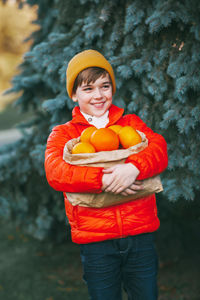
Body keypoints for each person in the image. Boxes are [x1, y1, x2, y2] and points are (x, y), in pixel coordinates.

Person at [44, 49, 168, 300]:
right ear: (73, 94)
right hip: (96, 242)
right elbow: (55, 171)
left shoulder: (130, 124)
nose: (99, 95)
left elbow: (159, 149)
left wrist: (133, 168)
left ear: (113, 88)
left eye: (105, 86)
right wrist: (103, 180)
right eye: (88, 89)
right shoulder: (64, 134)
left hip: (139, 236)